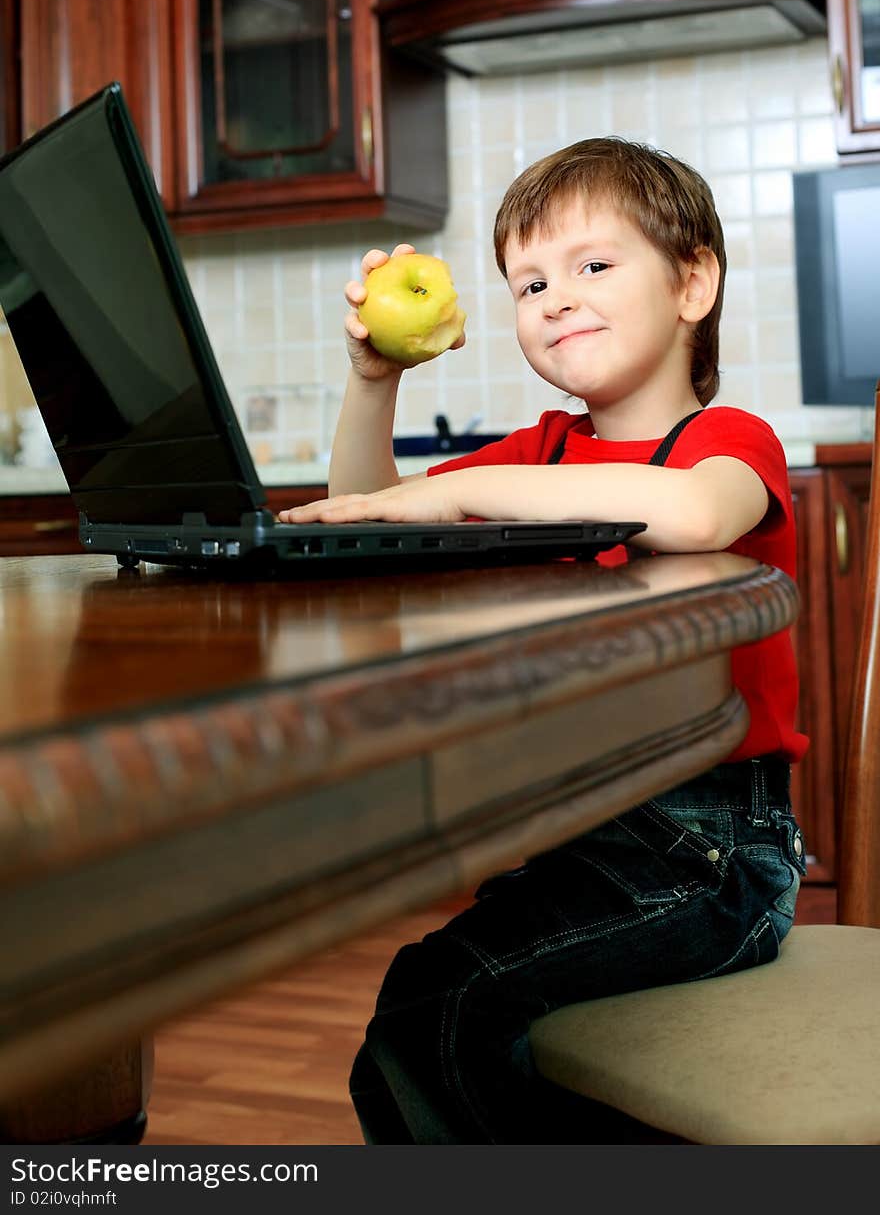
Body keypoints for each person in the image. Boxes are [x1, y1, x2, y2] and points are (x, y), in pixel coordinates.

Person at [278, 137, 809, 1143]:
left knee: (436, 1008)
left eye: (591, 266)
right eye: (528, 283)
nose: (554, 298)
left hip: (712, 854)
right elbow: (374, 507)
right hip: (586, 832)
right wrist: (375, 376)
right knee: (425, 1012)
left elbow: (693, 513)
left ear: (691, 281)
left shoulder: (729, 440)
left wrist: (463, 485)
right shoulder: (546, 450)